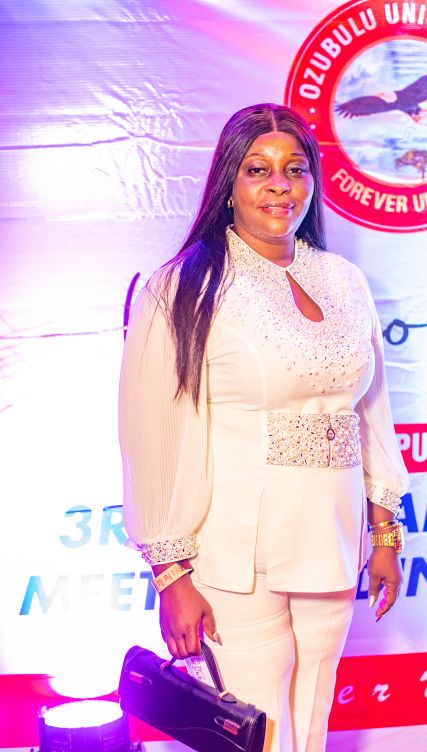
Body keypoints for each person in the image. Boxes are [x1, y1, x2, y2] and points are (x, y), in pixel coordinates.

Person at [118, 102, 408, 752]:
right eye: (258, 170)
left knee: (312, 724)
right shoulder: (182, 288)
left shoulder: (343, 280)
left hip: (333, 538)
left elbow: (370, 412)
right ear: (229, 182)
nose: (280, 186)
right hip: (234, 555)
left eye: (295, 169)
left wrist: (385, 531)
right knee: (258, 733)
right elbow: (150, 438)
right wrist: (171, 575)